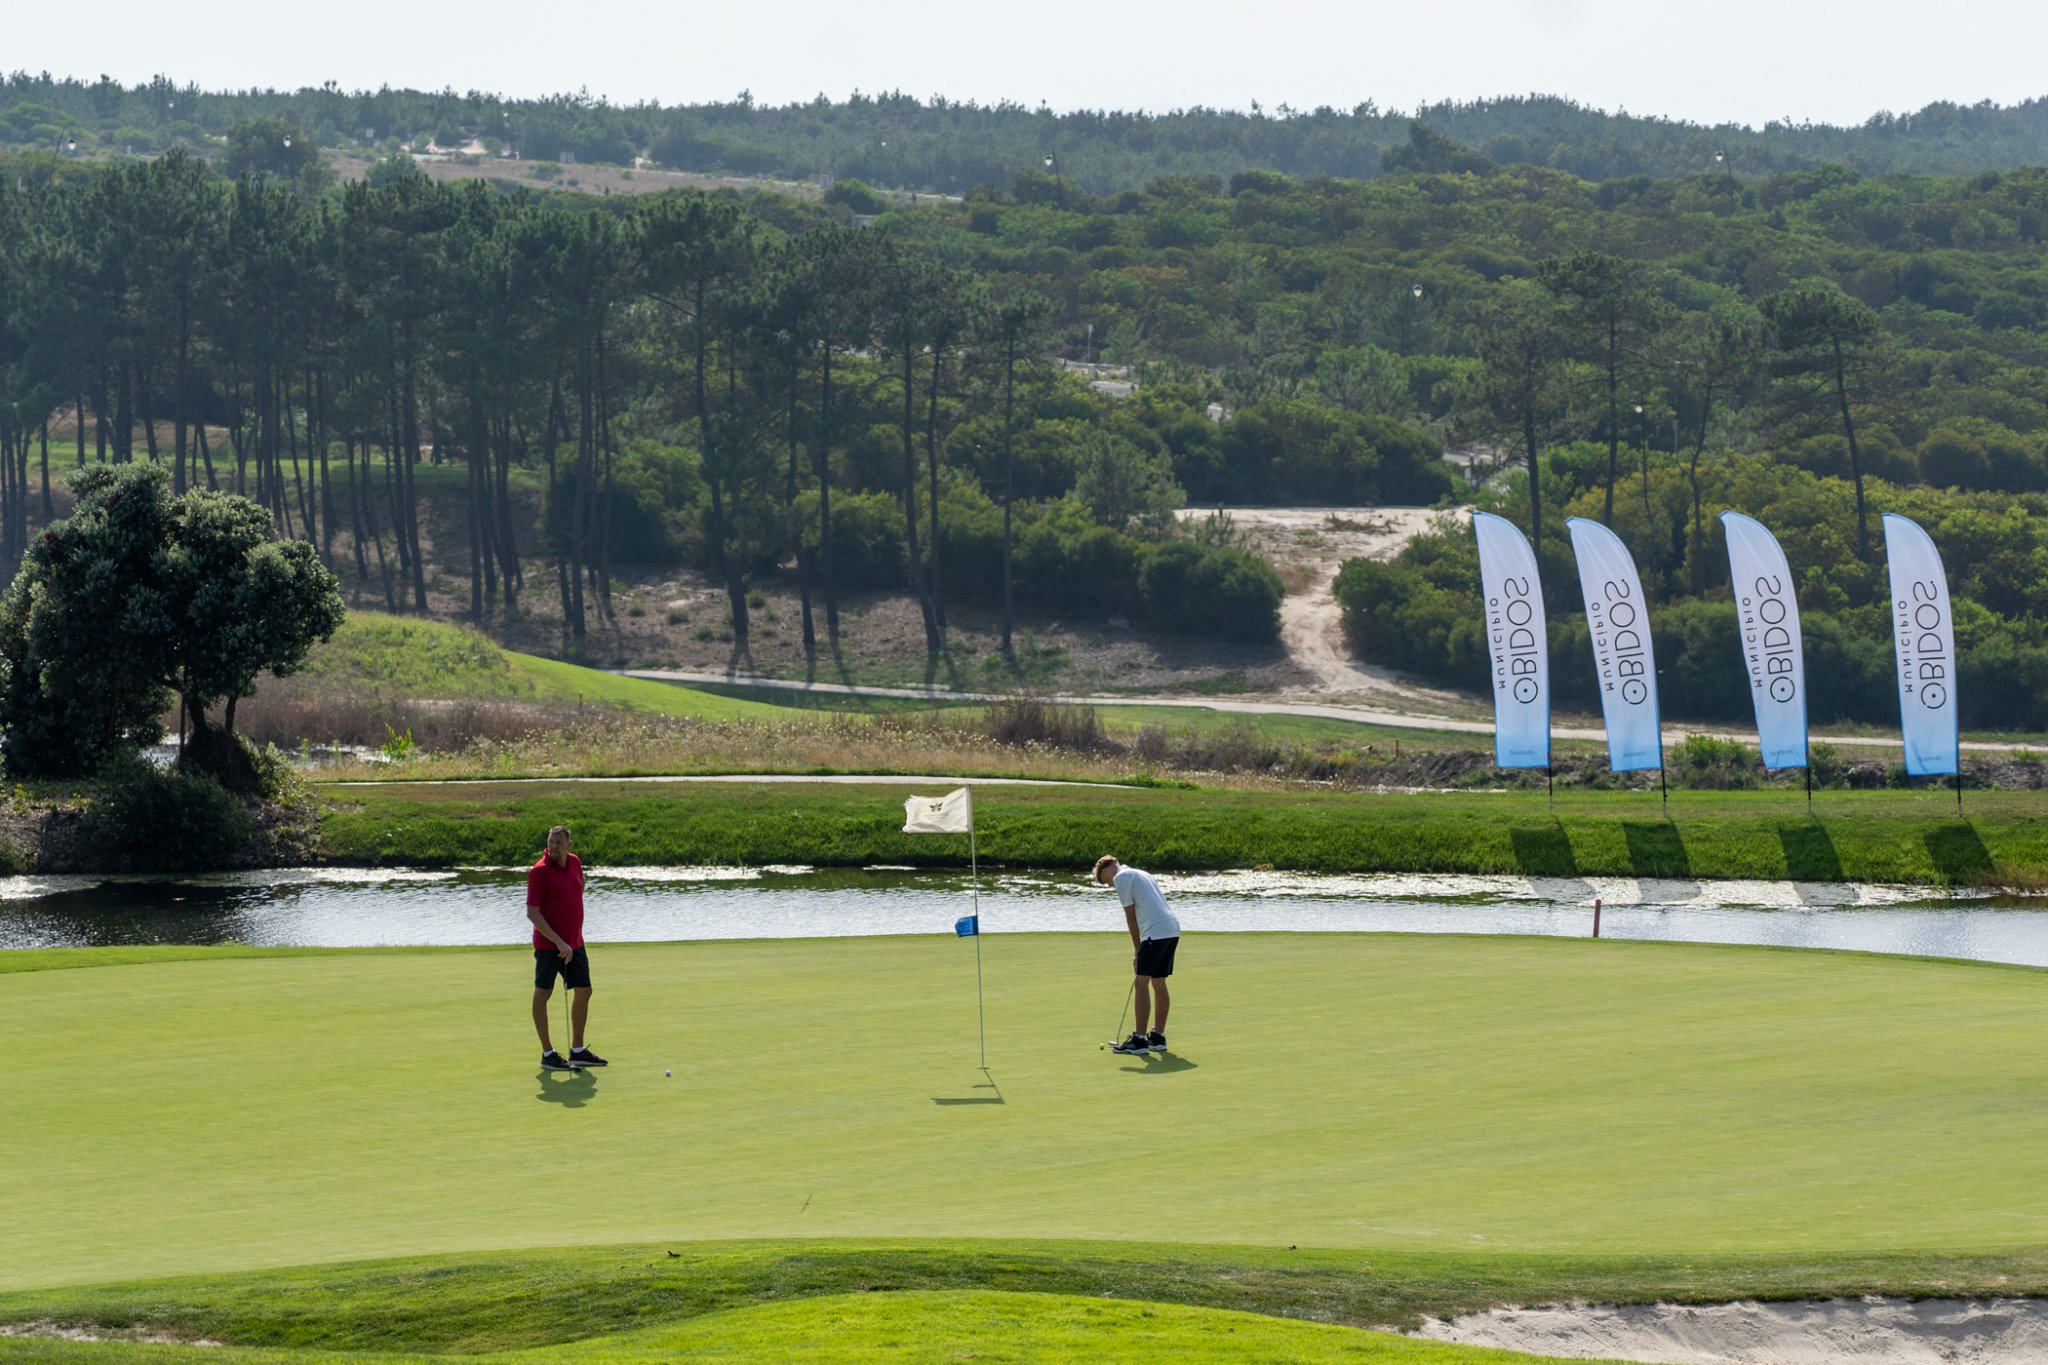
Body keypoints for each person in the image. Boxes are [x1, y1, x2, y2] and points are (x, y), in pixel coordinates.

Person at [528, 825, 606, 1071]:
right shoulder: (539, 872)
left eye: (558, 843)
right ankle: (548, 1054)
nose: (553, 847)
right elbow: (533, 913)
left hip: (575, 942)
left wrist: (581, 886)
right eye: (551, 842)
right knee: (543, 994)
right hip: (549, 946)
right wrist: (558, 942)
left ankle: (578, 1050)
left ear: (569, 844)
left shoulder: (574, 862)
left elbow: (575, 891)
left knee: (584, 990)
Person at [1093, 855, 1180, 1055]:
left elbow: (1131, 919)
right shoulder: (1142, 873)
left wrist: (1137, 950)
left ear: (1107, 868)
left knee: (1141, 983)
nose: (1109, 885)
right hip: (1171, 930)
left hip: (1155, 932)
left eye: (1104, 880)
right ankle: (1157, 1037)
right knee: (1158, 982)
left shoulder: (1121, 877)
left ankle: (1139, 1040)